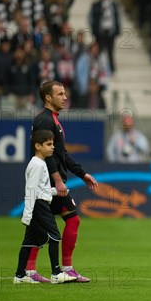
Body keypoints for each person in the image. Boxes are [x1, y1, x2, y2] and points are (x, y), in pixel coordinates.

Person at [28, 81, 99, 283]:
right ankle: (65, 269)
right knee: (73, 219)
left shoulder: (51, 120)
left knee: (38, 226)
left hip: (49, 182)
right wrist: (58, 181)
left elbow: (62, 154)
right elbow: (47, 155)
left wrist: (82, 174)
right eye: (60, 93)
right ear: (48, 97)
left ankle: (29, 271)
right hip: (49, 183)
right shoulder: (45, 120)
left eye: (65, 93)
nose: (65, 97)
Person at [13, 130, 77, 285]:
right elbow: (31, 191)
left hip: (39, 203)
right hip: (39, 206)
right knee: (55, 236)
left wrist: (58, 191)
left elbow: (41, 189)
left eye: (53, 144)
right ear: (37, 146)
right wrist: (27, 215)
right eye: (48, 144)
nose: (52, 147)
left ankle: (20, 276)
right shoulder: (37, 164)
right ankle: (56, 273)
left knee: (29, 241)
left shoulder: (40, 164)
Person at [88, 0, 121, 73]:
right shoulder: (96, 4)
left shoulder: (113, 4)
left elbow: (117, 17)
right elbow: (91, 18)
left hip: (110, 32)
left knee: (110, 51)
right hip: (100, 32)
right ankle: (100, 68)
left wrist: (117, 30)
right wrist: (94, 29)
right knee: (99, 51)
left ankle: (112, 69)